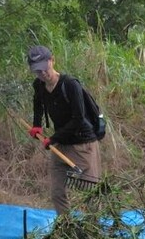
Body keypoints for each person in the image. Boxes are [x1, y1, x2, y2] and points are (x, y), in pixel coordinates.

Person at [27, 45, 103, 214]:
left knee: (90, 193)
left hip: (83, 144)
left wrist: (53, 138)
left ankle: (94, 231)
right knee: (57, 193)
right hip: (60, 144)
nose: (42, 74)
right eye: (38, 71)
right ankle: (66, 226)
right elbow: (37, 103)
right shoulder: (39, 85)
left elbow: (79, 119)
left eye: (44, 68)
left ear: (52, 61)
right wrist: (36, 124)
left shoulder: (70, 85)